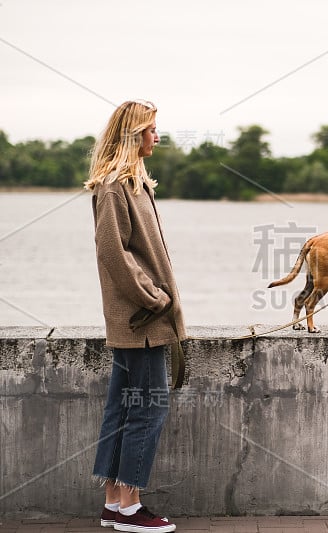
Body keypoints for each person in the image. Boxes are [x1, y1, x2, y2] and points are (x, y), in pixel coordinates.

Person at [85, 100, 186, 533]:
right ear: (132, 136)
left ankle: (113, 503)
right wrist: (153, 297)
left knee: (123, 408)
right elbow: (112, 251)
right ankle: (130, 508)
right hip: (141, 319)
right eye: (150, 130)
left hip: (142, 317)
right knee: (149, 407)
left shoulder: (134, 183)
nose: (157, 136)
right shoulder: (112, 187)